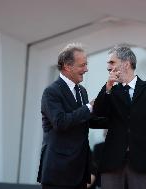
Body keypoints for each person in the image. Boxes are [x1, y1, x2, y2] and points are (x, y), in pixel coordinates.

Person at [93, 44, 146, 189]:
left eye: (112, 62)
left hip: (144, 162)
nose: (108, 67)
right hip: (112, 163)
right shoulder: (111, 91)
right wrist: (107, 87)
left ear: (126, 63)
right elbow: (98, 113)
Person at [37, 43, 94, 189]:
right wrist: (89, 107)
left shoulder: (82, 91)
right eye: (82, 65)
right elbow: (60, 122)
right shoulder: (51, 92)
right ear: (68, 66)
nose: (86, 69)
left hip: (79, 171)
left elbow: (84, 119)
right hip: (58, 173)